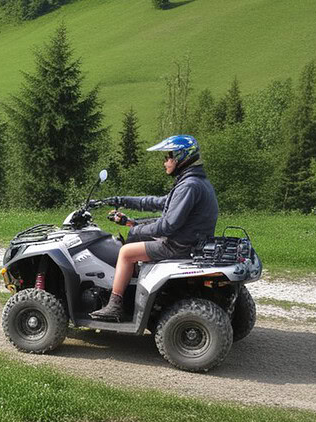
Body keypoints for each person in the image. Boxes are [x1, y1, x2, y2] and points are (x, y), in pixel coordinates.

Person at [89, 135, 219, 321]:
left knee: (126, 252)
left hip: (179, 245)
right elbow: (158, 203)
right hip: (191, 241)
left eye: (168, 157)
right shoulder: (194, 182)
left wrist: (135, 228)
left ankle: (114, 305)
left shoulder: (188, 186)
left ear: (181, 157)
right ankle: (132, 288)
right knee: (137, 237)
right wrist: (122, 201)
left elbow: (167, 226)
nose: (165, 162)